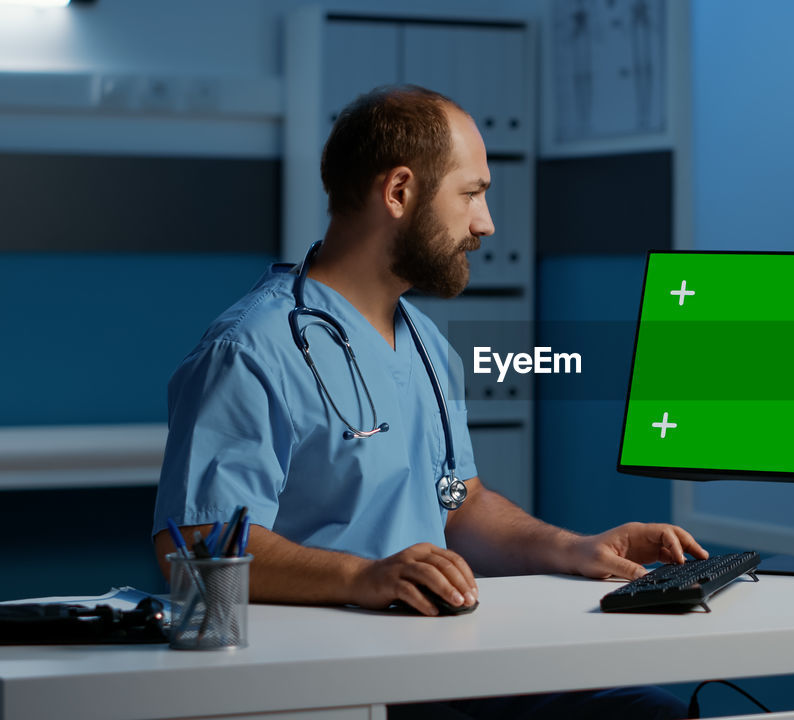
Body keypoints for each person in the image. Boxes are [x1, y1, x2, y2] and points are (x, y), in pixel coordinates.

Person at [151, 85, 703, 719]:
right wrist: (363, 579)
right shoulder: (250, 350)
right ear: (398, 192)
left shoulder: (424, 342)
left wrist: (575, 548)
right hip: (327, 682)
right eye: (471, 194)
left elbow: (457, 504)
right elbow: (194, 547)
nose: (486, 223)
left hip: (435, 656)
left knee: (650, 712)